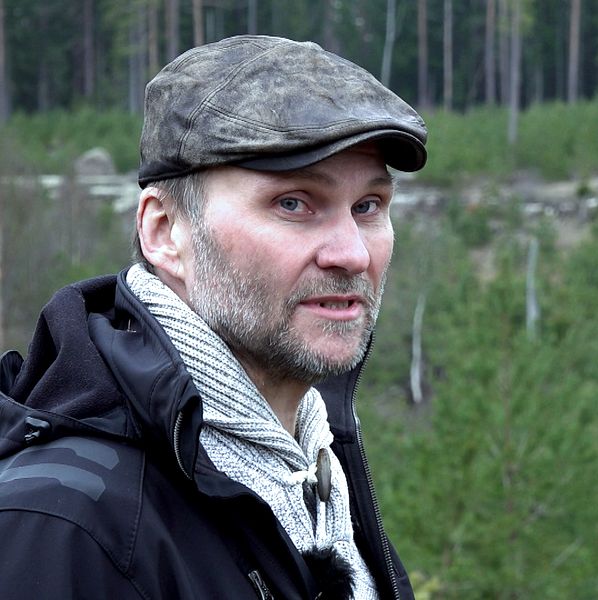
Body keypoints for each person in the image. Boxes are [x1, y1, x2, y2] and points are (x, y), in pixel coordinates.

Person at [0, 35, 426, 599]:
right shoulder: (65, 529)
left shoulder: (321, 480)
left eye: (368, 206)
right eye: (293, 203)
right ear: (164, 232)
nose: (351, 253)